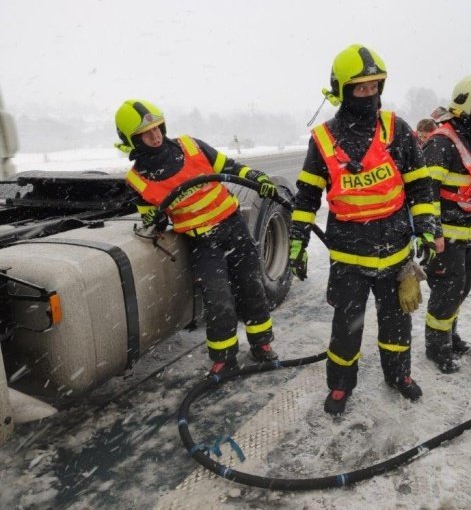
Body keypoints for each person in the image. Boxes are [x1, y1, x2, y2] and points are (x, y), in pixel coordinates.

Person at [289, 44, 441, 416]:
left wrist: (426, 226)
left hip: (395, 255)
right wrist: (297, 241)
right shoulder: (323, 140)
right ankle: (341, 386)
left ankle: (398, 376)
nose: (369, 95)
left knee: (397, 325)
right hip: (348, 260)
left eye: (375, 86)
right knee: (346, 329)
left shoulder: (397, 129)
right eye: (360, 88)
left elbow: (420, 185)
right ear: (342, 90)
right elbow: (307, 196)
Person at [115, 99, 279, 374]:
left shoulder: (191, 146)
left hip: (233, 227)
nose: (155, 136)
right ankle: (224, 358)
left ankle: (261, 344)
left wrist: (255, 176)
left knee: (251, 287)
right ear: (131, 140)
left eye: (157, 128)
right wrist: (154, 220)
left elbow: (229, 166)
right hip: (203, 243)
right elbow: (150, 220)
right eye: (146, 133)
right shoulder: (138, 180)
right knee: (219, 299)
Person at [422, 75, 471, 373]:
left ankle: (450, 336)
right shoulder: (442, 142)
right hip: (447, 236)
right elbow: (426, 191)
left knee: (461, 287)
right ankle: (436, 346)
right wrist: (433, 232)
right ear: (464, 106)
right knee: (446, 291)